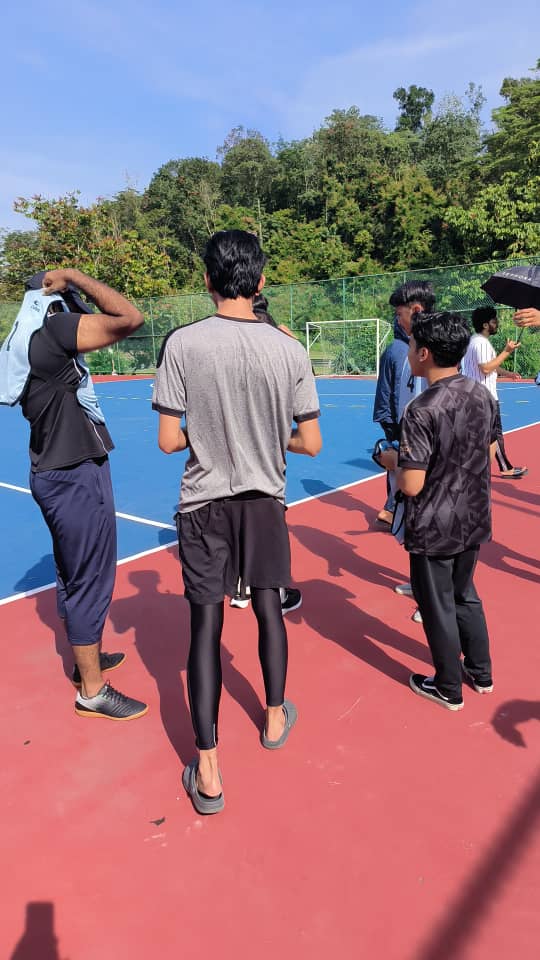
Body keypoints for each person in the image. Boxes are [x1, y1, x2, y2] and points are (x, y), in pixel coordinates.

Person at [152, 229, 322, 814]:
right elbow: (311, 442)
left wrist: (208, 434)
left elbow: (168, 440)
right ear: (261, 280)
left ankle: (208, 770)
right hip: (264, 500)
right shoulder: (290, 349)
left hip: (204, 504)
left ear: (207, 280)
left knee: (205, 628)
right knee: (270, 608)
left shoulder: (182, 343)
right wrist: (271, 438)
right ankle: (274, 717)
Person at [13, 269, 147, 720]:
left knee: (73, 574)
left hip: (55, 472)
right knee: (90, 578)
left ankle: (86, 661)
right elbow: (128, 318)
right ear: (52, 297)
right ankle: (92, 691)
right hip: (73, 476)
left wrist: (69, 294)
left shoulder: (30, 339)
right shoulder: (53, 333)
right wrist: (75, 277)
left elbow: (92, 321)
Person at [379, 312, 497, 711]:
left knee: (437, 604)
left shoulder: (421, 408)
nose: (408, 351)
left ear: (424, 353)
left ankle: (448, 686)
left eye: (412, 344)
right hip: (473, 514)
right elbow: (487, 452)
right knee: (465, 594)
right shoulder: (481, 394)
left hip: (434, 523)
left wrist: (392, 461)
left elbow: (411, 484)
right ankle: (480, 672)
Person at [229, 292, 302, 615]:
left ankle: (239, 587)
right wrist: (292, 344)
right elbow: (300, 389)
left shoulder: (223, 338)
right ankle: (276, 593)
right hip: (267, 450)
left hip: (231, 446)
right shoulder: (274, 340)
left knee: (234, 514)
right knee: (268, 520)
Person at [385, 280, 436, 613]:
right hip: (412, 445)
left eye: (400, 313)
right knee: (414, 522)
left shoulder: (430, 350)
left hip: (425, 452)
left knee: (427, 524)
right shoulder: (410, 348)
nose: (397, 319)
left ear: (416, 310)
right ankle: (421, 585)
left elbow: (426, 408)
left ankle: (431, 599)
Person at [461, 306, 527, 479]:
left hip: (476, 395)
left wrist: (508, 373)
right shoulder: (481, 343)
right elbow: (485, 368)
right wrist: (507, 351)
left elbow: (492, 366)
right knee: (493, 434)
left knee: (485, 435)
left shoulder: (475, 341)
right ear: (485, 325)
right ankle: (504, 468)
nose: (497, 323)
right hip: (484, 397)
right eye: (494, 320)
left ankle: (495, 466)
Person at [372, 313, 410, 524]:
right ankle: (391, 509)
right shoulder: (402, 351)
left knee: (395, 462)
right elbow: (399, 389)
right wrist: (403, 419)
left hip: (388, 413)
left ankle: (393, 509)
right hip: (395, 415)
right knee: (402, 462)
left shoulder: (394, 348)